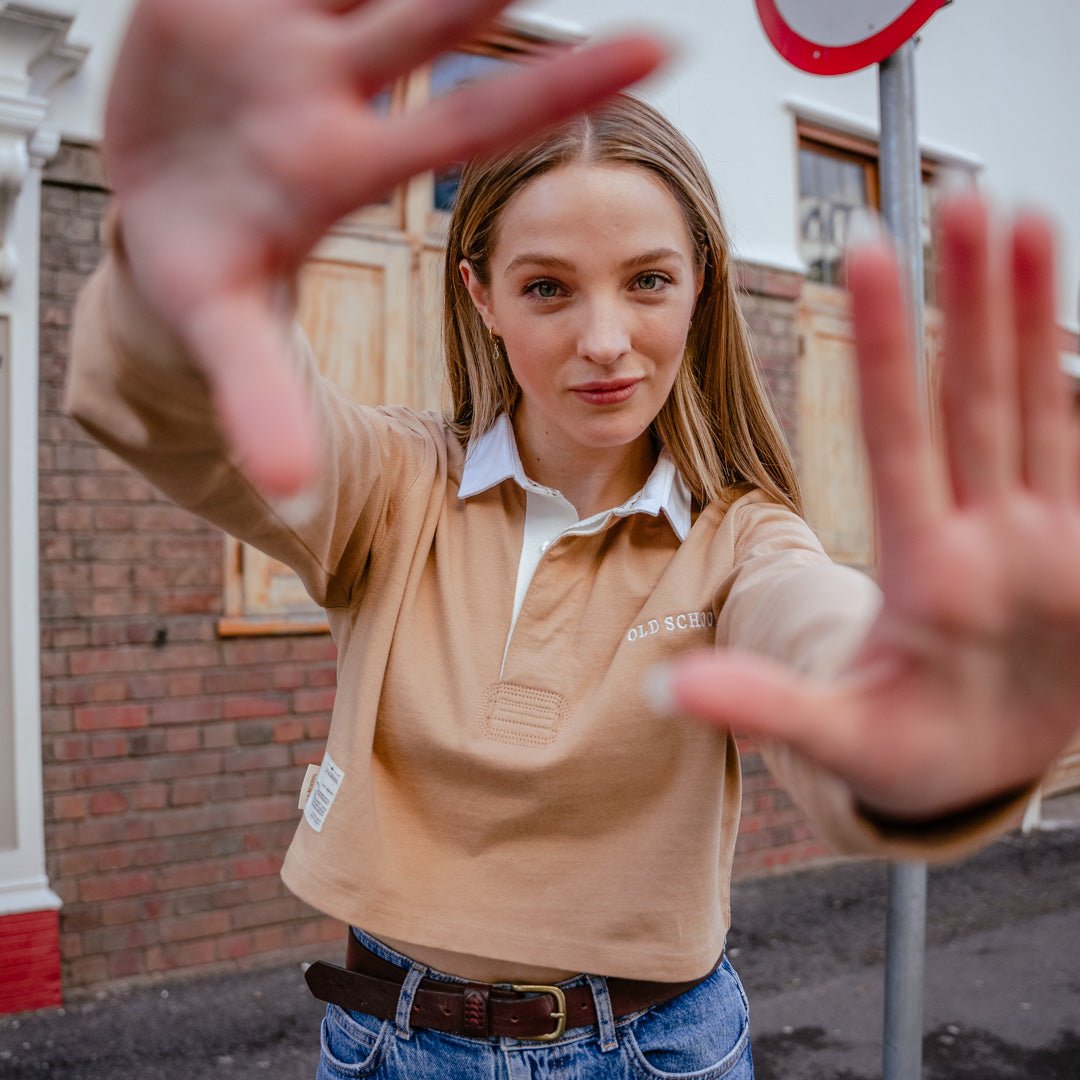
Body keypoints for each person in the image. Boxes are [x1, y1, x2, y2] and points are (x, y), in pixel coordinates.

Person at [66, 1, 1080, 1077]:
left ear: (700, 286)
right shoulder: (393, 486)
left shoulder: (744, 538)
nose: (605, 343)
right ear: (482, 297)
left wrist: (917, 723)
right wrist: (172, 276)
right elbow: (184, 413)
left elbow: (818, 630)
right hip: (386, 1045)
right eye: (547, 287)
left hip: (655, 1050)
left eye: (648, 280)